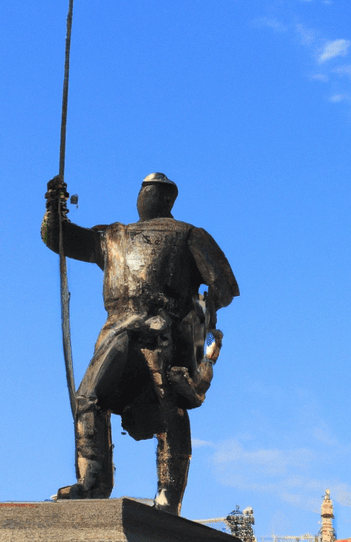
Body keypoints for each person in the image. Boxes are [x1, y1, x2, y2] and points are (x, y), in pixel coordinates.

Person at [40, 173, 238, 514]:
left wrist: (204, 313)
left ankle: (168, 495)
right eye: (143, 190)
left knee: (169, 409)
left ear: (166, 200)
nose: (145, 196)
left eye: (152, 192)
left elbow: (224, 285)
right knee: (89, 396)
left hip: (167, 330)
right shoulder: (114, 236)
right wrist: (53, 208)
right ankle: (93, 481)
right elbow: (62, 238)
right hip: (119, 328)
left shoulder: (190, 234)